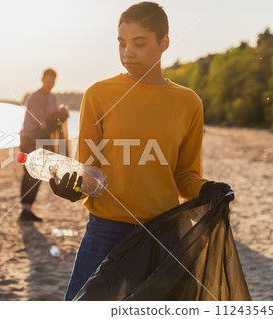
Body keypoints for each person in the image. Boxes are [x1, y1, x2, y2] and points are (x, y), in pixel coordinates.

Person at [49, 2, 232, 300]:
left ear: (164, 43)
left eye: (139, 43)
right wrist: (74, 188)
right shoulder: (99, 94)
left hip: (164, 235)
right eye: (122, 44)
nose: (127, 53)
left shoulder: (188, 103)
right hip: (105, 232)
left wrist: (208, 188)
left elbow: (184, 176)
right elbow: (88, 172)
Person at [19, 68, 69, 222]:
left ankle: (28, 210)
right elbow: (43, 123)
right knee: (30, 173)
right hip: (29, 138)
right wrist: (58, 116)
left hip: (43, 138)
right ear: (42, 80)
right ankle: (24, 211)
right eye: (48, 81)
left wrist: (61, 114)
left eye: (53, 82)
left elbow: (53, 122)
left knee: (39, 174)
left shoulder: (52, 98)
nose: (50, 84)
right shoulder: (35, 97)